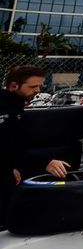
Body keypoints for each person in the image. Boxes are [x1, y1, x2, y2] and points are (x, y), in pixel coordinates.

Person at [1, 66, 73, 226]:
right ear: (14, 86)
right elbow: (6, 145)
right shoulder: (5, 108)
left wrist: (11, 166)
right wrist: (46, 162)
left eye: (39, 86)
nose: (38, 91)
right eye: (33, 87)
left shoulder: (15, 105)